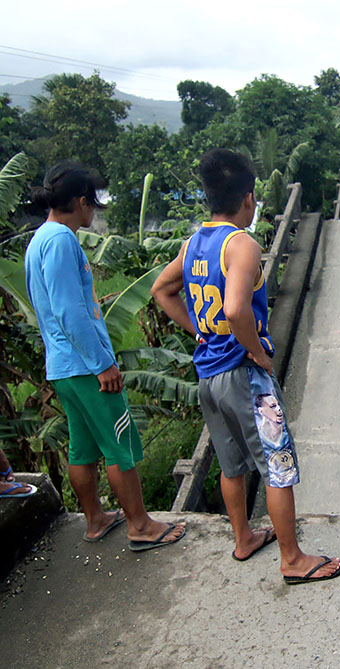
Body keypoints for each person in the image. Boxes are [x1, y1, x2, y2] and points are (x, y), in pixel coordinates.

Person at [152, 149, 340, 584]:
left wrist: (200, 331)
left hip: (208, 375)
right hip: (244, 375)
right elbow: (238, 308)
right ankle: (292, 559)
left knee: (231, 463)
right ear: (248, 197)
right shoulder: (242, 244)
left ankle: (243, 538)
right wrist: (258, 351)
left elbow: (162, 290)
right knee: (277, 465)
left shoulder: (196, 241)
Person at [25, 163, 186, 549]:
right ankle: (140, 526)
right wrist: (103, 365)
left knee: (82, 447)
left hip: (62, 367)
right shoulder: (62, 240)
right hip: (85, 365)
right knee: (119, 445)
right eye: (92, 204)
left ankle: (96, 519)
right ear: (81, 202)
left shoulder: (38, 239)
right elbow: (70, 312)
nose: (92, 212)